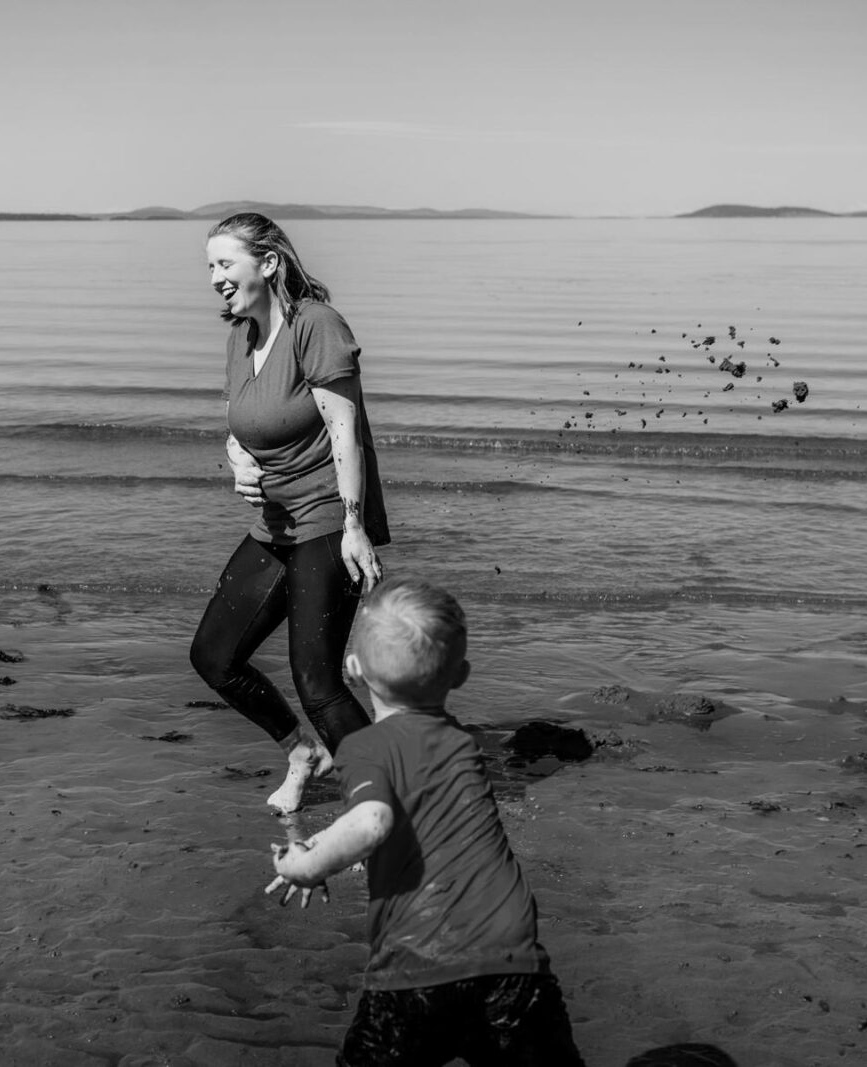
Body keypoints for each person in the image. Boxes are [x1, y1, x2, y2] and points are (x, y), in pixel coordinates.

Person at [265, 577, 586, 1067]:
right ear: (460, 675)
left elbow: (372, 821)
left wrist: (309, 863)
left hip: (417, 964)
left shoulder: (365, 747)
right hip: (512, 961)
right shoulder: (463, 745)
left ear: (352, 670)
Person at [190, 212, 389, 815]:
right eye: (210, 267)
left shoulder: (317, 326)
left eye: (226, 264)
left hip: (327, 518)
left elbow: (344, 430)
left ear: (268, 263)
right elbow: (239, 427)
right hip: (274, 524)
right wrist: (237, 463)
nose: (216, 278)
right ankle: (303, 753)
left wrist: (355, 526)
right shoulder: (241, 336)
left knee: (319, 682)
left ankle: (387, 809)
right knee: (215, 658)